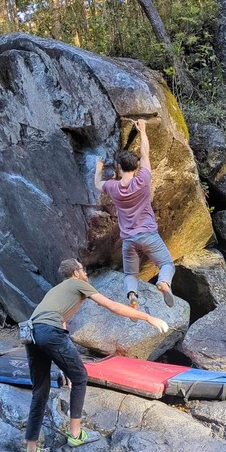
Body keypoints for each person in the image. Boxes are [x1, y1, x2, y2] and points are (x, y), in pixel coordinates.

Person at [24, 257, 168, 452]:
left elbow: (61, 324)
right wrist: (148, 318)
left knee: (40, 391)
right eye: (83, 270)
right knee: (81, 377)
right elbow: (112, 306)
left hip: (30, 334)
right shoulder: (79, 284)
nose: (86, 273)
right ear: (75, 273)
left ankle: (31, 450)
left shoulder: (56, 291)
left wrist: (67, 367)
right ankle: (75, 435)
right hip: (49, 331)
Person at [95, 118, 175, 310]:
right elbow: (145, 153)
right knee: (166, 264)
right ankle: (164, 283)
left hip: (129, 239)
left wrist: (98, 170)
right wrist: (143, 131)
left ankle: (132, 296)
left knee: (131, 274)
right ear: (136, 167)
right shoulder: (143, 180)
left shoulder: (113, 187)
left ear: (119, 168)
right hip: (148, 234)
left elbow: (97, 185)